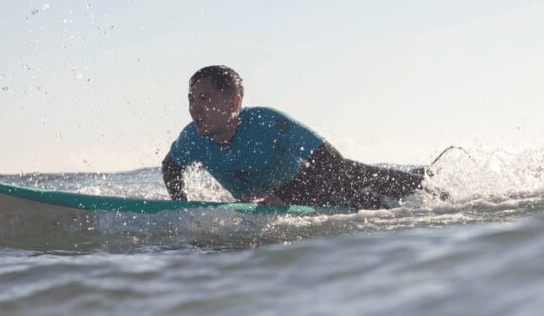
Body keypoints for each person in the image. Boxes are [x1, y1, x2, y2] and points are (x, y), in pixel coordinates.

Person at [162, 65, 425, 209]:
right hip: (274, 197)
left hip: (316, 182)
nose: (194, 108)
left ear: (233, 102)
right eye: (191, 99)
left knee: (384, 188)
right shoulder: (192, 139)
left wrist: (286, 198)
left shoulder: (267, 123)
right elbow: (171, 166)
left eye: (205, 99)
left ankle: (427, 181)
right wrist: (181, 208)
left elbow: (330, 160)